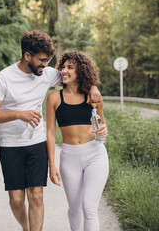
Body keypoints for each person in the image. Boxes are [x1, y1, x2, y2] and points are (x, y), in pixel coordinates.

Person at [0, 30, 102, 231]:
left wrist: (92, 87)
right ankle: (26, 227)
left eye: (48, 60)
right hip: (10, 145)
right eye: (42, 60)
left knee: (36, 195)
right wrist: (19, 114)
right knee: (17, 199)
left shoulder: (46, 74)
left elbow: (75, 75)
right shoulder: (4, 78)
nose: (47, 65)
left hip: (36, 143)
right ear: (27, 56)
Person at [46, 51, 109, 231]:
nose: (64, 71)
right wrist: (52, 165)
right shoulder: (54, 98)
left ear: (80, 71)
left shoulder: (94, 97)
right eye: (63, 67)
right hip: (69, 157)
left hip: (95, 155)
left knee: (89, 208)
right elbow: (50, 133)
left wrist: (103, 132)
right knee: (74, 209)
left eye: (70, 67)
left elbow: (102, 131)